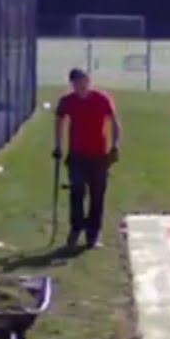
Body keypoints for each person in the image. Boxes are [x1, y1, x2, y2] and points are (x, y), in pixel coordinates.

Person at [53, 68, 120, 249]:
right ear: (72, 85)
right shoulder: (67, 101)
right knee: (77, 192)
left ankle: (92, 233)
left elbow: (114, 122)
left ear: (88, 81)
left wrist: (115, 145)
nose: (81, 87)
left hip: (99, 156)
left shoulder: (101, 99)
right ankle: (76, 228)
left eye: (84, 82)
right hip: (77, 155)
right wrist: (58, 145)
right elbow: (59, 121)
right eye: (77, 84)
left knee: (97, 195)